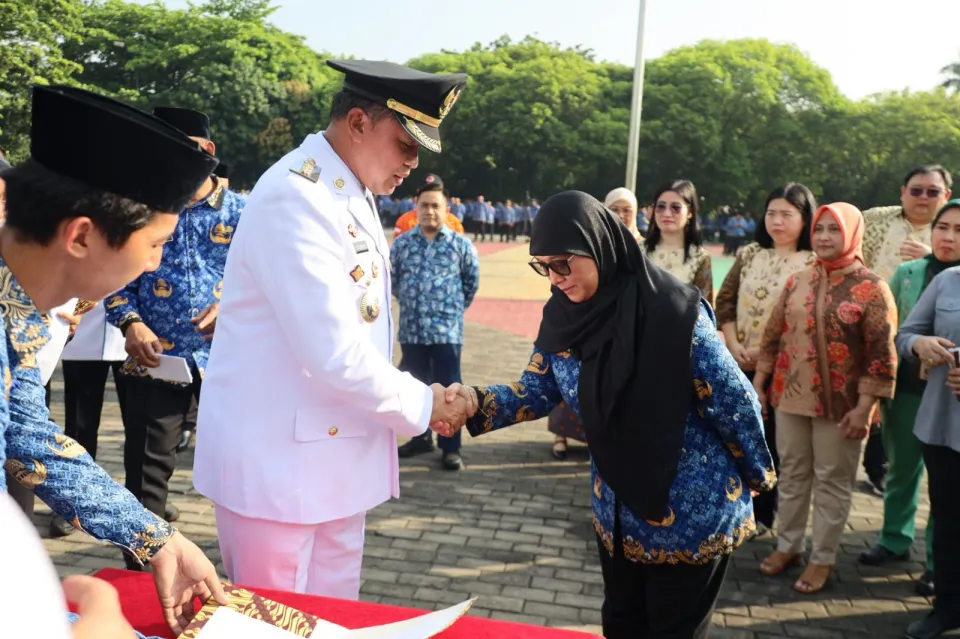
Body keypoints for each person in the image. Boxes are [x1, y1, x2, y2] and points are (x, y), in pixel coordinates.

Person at [438, 190, 774, 639]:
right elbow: (537, 388)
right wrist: (474, 401)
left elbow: (736, 404)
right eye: (544, 266)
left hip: (692, 513)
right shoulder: (563, 316)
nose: (555, 278)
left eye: (564, 263)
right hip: (617, 512)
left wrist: (760, 478)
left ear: (599, 246)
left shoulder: (676, 315)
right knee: (620, 625)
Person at [194, 59, 472, 599]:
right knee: (276, 627)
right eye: (406, 145)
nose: (412, 164)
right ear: (359, 123)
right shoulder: (298, 195)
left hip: (332, 466)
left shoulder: (347, 189)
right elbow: (332, 351)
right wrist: (425, 402)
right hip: (279, 472)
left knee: (336, 622)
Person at [0, 84, 228, 634]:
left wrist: (156, 537)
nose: (154, 268)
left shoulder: (17, 310)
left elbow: (26, 436)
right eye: (154, 245)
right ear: (81, 236)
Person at [104, 107, 245, 539]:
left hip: (231, 360)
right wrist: (130, 324)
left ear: (208, 151)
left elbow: (272, 280)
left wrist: (234, 309)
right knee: (146, 473)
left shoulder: (244, 211)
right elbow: (112, 278)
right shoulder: (139, 209)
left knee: (244, 470)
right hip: (157, 358)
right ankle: (139, 573)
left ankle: (248, 568)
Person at [754, 203, 897, 595]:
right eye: (820, 229)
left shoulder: (872, 288)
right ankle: (789, 546)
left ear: (852, 234)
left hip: (844, 405)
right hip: (790, 396)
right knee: (794, 472)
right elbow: (773, 333)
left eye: (835, 229)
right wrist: (761, 382)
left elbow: (881, 355)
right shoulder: (797, 280)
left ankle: (823, 557)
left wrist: (865, 407)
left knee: (833, 481)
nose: (825, 237)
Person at [859, 200, 960, 596]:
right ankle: (894, 539)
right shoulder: (909, 272)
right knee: (901, 468)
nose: (948, 236)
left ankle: (939, 561)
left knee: (945, 484)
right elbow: (895, 330)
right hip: (906, 389)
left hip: (949, 396)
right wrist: (916, 347)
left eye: (958, 229)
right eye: (943, 227)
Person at [715, 183, 816, 535]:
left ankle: (764, 515)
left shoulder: (814, 262)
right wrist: (730, 341)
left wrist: (762, 353)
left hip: (782, 368)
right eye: (771, 213)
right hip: (735, 358)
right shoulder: (750, 253)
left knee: (771, 443)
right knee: (732, 436)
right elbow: (725, 299)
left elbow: (807, 321)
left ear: (805, 219)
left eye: (787, 214)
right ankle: (733, 506)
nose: (777, 221)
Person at [393, 174, 479, 470]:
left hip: (446, 331)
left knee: (450, 392)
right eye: (425, 205)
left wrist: (451, 309)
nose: (430, 211)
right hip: (412, 330)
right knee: (415, 387)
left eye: (435, 206)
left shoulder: (461, 246)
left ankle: (450, 446)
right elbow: (393, 282)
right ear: (415, 207)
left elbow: (471, 282)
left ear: (446, 210)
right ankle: (420, 438)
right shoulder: (402, 245)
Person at [897, 256, 960, 639]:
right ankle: (948, 608)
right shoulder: (950, 280)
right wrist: (921, 344)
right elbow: (905, 334)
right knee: (949, 523)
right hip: (943, 428)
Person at [643, 179, 714, 302]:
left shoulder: (700, 258)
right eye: (660, 206)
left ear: (690, 212)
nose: (666, 213)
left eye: (675, 207)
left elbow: (703, 309)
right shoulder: (637, 251)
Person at [392, 175, 464, 236]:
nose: (430, 211)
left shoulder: (454, 222)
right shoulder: (405, 221)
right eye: (425, 191)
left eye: (435, 190)